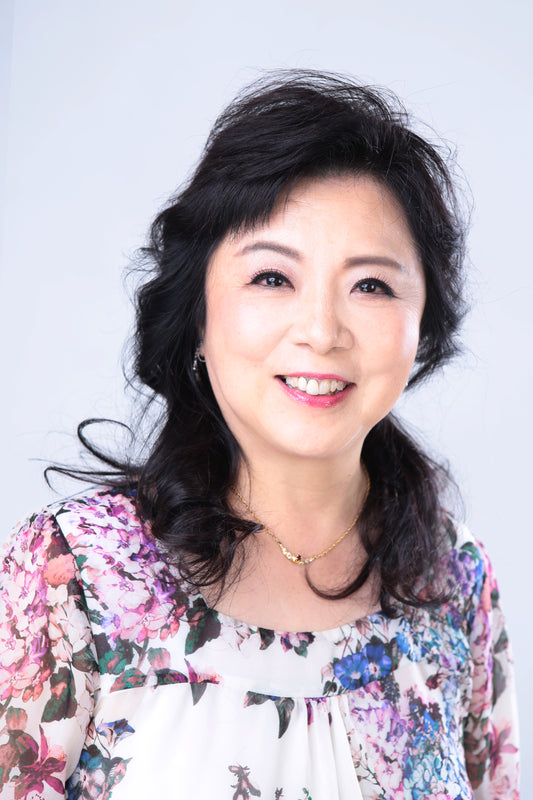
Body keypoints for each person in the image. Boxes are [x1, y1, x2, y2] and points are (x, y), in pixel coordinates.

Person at [0, 71, 519, 799]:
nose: (321, 332)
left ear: (422, 324)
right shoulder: (76, 572)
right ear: (197, 313)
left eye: (370, 285)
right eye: (273, 278)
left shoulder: (454, 578)